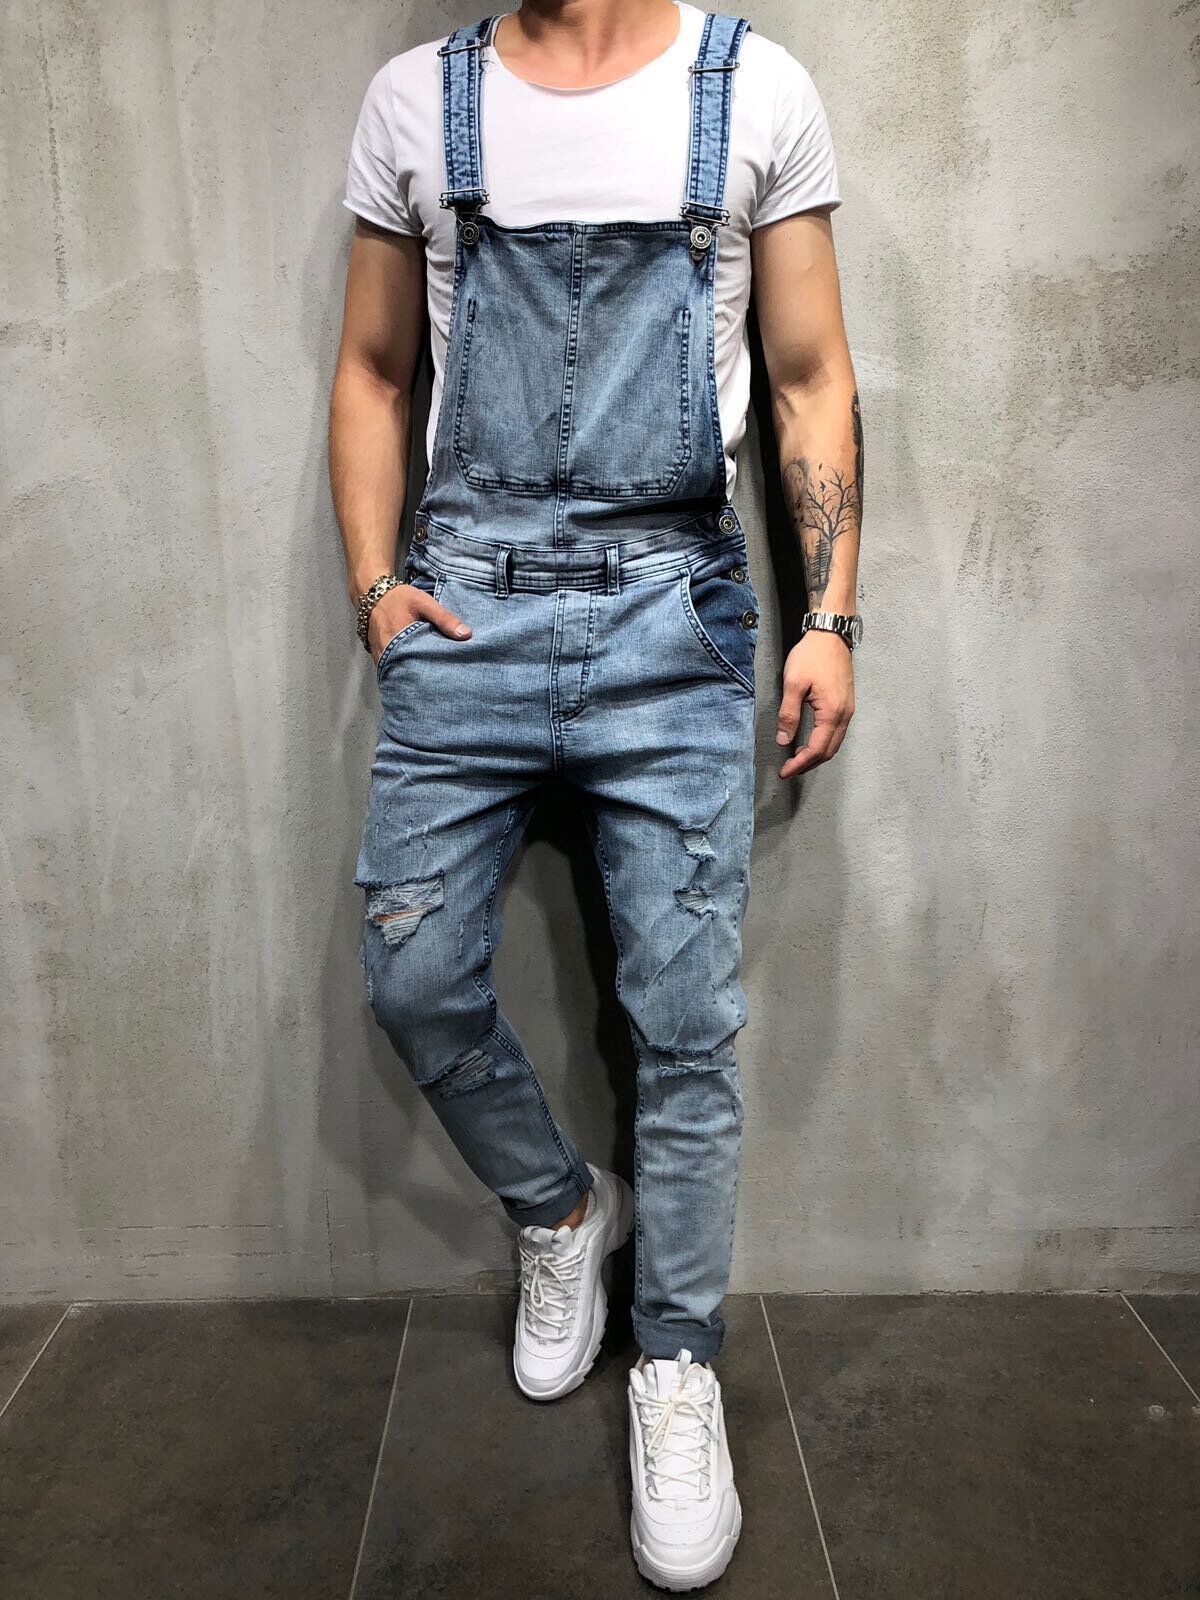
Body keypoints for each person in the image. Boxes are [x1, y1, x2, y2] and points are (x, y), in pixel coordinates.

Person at [329, 0, 861, 1587]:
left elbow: (810, 375)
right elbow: (373, 370)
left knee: (684, 1023)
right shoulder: (416, 102)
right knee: (414, 974)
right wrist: (374, 588)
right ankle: (564, 1213)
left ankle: (677, 1363)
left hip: (672, 617)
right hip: (466, 611)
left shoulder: (754, 92)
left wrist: (832, 616)